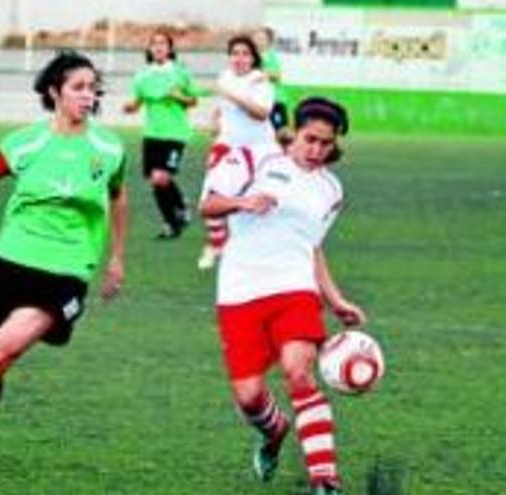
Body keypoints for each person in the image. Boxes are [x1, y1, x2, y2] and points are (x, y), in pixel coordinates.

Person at [0, 51, 128, 473]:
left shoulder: (109, 147)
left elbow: (118, 198)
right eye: (79, 88)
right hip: (7, 262)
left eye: (93, 88)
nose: (89, 96)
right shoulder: (24, 142)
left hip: (65, 273)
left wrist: (116, 258)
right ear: (55, 92)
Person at [199, 97, 367, 495]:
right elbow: (207, 205)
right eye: (311, 140)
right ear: (295, 130)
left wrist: (336, 299)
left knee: (299, 371)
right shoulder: (251, 158)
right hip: (240, 292)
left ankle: (325, 481)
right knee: (250, 396)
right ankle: (274, 433)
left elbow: (311, 247)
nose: (317, 151)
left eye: (327, 144)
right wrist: (242, 201)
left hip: (294, 289)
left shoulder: (331, 190)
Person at [198, 35, 278, 270]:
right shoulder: (225, 77)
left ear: (253, 58)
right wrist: (214, 122)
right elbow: (222, 107)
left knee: (262, 201)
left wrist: (230, 94)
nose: (239, 58)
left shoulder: (259, 82)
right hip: (228, 146)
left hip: (260, 149)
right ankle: (216, 244)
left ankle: (251, 248)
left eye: (245, 53)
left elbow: (261, 113)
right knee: (210, 197)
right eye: (235, 53)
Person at [123, 30, 199, 239]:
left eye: (163, 43)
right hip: (152, 134)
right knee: (157, 182)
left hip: (175, 133)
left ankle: (180, 206)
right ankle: (172, 222)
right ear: (149, 49)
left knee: (161, 177)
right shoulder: (142, 75)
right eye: (154, 43)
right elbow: (136, 103)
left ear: (170, 48)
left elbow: (193, 101)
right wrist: (129, 106)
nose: (158, 47)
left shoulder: (180, 73)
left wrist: (179, 97)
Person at [253, 26, 292, 133]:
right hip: (261, 102)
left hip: (276, 100)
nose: (257, 41)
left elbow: (277, 75)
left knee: (279, 130)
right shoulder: (253, 56)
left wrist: (261, 73)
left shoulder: (270, 56)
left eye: (261, 38)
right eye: (256, 38)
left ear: (269, 42)